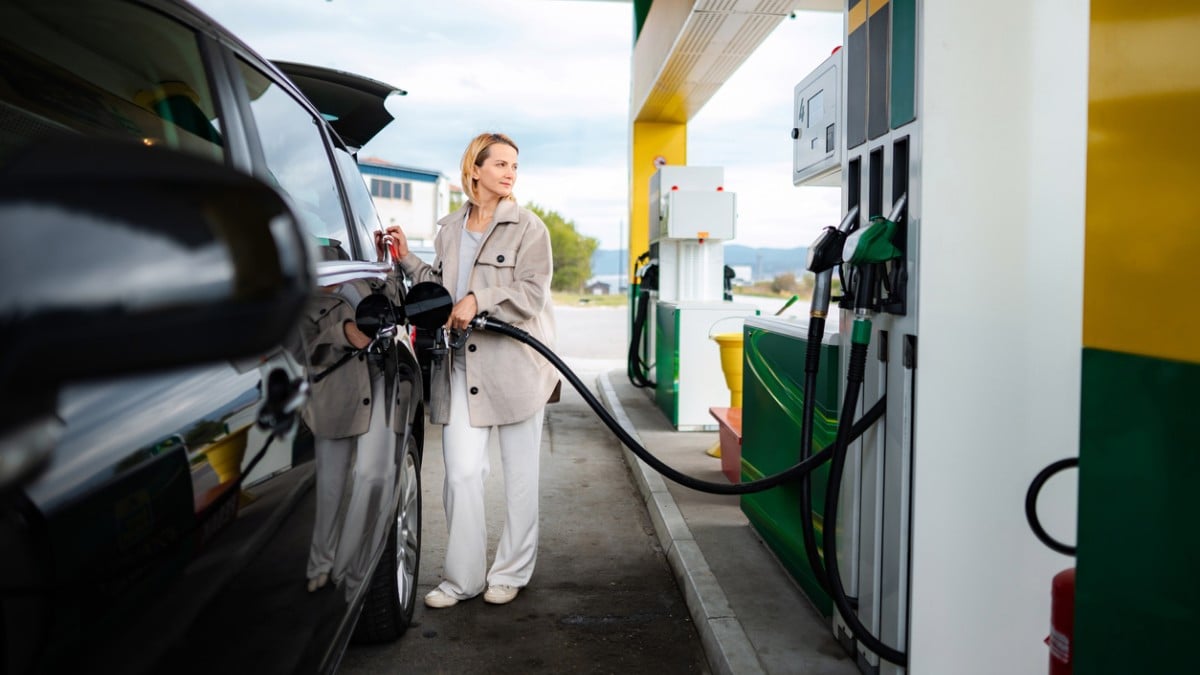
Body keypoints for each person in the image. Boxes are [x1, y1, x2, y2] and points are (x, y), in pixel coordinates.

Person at [383, 132, 557, 608]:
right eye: (499, 163)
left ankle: (511, 572)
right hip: (462, 363)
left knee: (520, 478)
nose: (509, 172)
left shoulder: (528, 228)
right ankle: (463, 579)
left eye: (514, 166)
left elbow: (532, 293)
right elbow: (441, 288)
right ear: (474, 169)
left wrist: (482, 298)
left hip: (518, 367)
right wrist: (405, 259)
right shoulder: (450, 229)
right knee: (460, 473)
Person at [299, 240, 402, 597]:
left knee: (376, 475)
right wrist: (342, 334)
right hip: (334, 394)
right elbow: (296, 347)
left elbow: (394, 300)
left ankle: (356, 576)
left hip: (378, 381)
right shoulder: (294, 289)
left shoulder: (349, 264)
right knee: (330, 490)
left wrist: (383, 263)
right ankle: (320, 568)